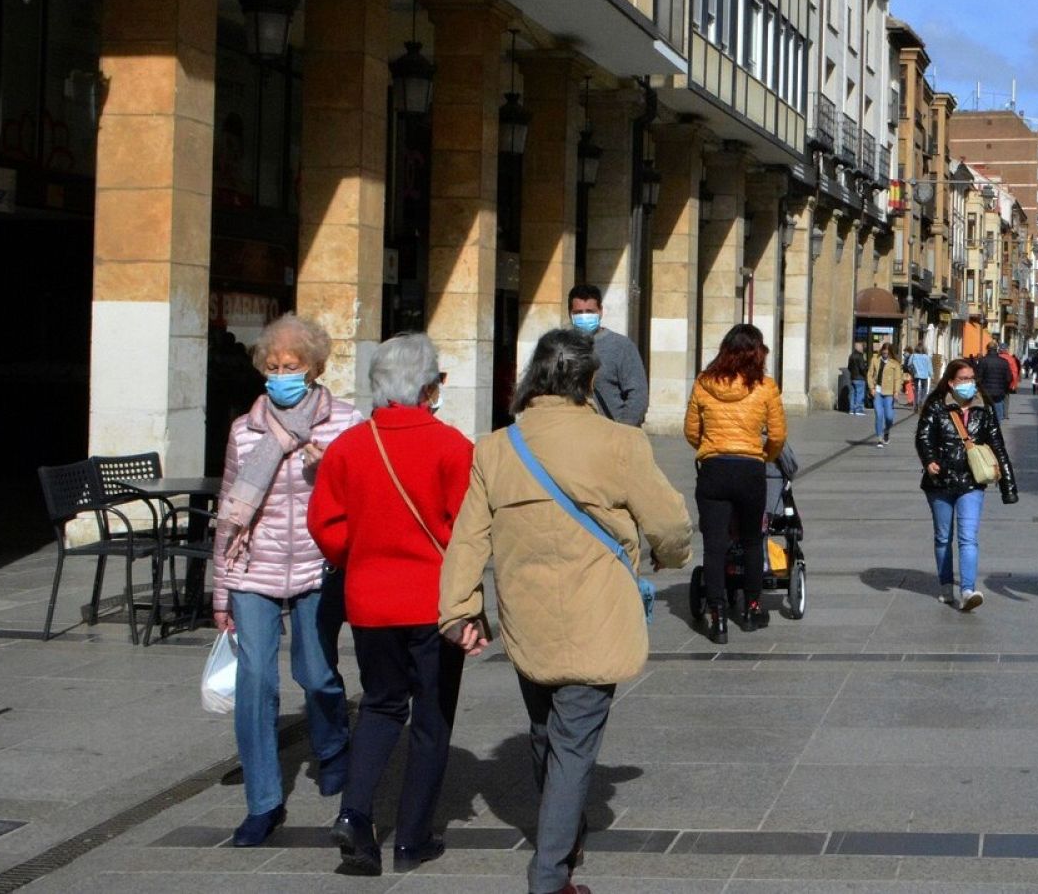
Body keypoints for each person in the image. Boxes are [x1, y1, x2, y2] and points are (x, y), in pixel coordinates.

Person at [440, 329, 691, 894]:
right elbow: (670, 524)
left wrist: (459, 609)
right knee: (573, 745)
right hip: (597, 612)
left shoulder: (496, 447)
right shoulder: (618, 442)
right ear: (589, 381)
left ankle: (563, 831)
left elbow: (467, 538)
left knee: (544, 730)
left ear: (533, 378)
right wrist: (673, 556)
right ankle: (550, 876)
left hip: (526, 617)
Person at [307, 334, 473, 876]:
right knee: (430, 716)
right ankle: (413, 837)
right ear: (429, 387)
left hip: (370, 599)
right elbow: (466, 529)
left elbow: (325, 525)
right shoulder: (452, 446)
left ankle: (355, 816)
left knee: (379, 705)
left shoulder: (350, 446)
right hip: (433, 601)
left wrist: (359, 556)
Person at [212, 313, 362, 847]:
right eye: (273, 367)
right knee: (256, 682)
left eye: (291, 366)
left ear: (315, 368)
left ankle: (332, 745)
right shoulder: (244, 429)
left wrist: (332, 474)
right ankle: (263, 801)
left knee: (317, 673)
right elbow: (230, 509)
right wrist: (222, 589)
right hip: (254, 565)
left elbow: (361, 501)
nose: (280, 375)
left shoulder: (344, 423)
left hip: (318, 567)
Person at [685, 324, 788, 643]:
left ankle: (717, 617)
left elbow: (690, 430)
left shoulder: (703, 383)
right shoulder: (766, 387)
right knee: (752, 540)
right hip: (749, 470)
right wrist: (764, 455)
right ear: (758, 353)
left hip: (714, 470)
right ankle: (752, 608)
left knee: (714, 547)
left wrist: (711, 448)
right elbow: (779, 435)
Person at [915, 359, 1018, 613]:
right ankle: (946, 584)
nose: (969, 384)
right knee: (943, 537)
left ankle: (968, 590)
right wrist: (929, 461)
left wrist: (1009, 486)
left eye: (972, 379)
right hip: (940, 481)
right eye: (963, 379)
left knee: (968, 537)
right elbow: (923, 436)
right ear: (951, 382)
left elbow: (998, 445)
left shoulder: (984, 408)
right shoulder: (936, 406)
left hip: (972, 481)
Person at [567, 284, 649, 426]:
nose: (584, 316)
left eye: (589, 311)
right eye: (578, 312)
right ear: (570, 314)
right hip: (572, 434)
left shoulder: (621, 346)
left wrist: (623, 429)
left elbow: (638, 394)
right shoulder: (559, 347)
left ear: (600, 311)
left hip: (611, 434)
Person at [866, 342, 904, 447]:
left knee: (889, 417)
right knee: (878, 415)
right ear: (881, 351)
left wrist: (896, 391)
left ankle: (887, 430)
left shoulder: (895, 363)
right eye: (883, 352)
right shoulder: (875, 360)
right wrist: (871, 388)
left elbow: (898, 378)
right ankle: (879, 438)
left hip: (889, 393)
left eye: (887, 353)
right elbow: (869, 374)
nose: (885, 354)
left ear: (890, 352)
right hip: (877, 392)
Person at [976, 343, 1013, 421]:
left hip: (985, 390)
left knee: (985, 407)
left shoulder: (983, 361)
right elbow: (1009, 378)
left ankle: (986, 422)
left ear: (987, 349)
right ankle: (998, 424)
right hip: (999, 390)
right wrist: (1005, 388)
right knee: (998, 406)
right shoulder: (1004, 362)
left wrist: (979, 388)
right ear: (997, 349)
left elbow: (979, 376)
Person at [846, 342, 868, 416]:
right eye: (862, 347)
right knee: (859, 394)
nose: (863, 348)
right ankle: (858, 410)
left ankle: (851, 409)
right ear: (859, 348)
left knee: (852, 394)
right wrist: (865, 374)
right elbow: (862, 368)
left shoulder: (851, 356)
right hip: (860, 378)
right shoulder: (860, 356)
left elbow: (849, 367)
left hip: (852, 377)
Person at [909, 343, 933, 410]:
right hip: (924, 376)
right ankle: (922, 401)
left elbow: (909, 365)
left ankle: (916, 403)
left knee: (916, 390)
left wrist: (912, 371)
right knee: (924, 390)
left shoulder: (913, 356)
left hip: (916, 375)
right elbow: (929, 367)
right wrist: (931, 374)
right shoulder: (927, 357)